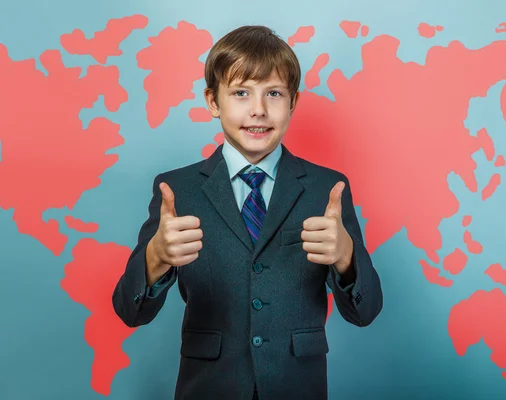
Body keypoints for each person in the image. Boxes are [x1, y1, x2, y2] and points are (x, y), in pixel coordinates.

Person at [112, 25, 383, 400]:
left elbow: (366, 311)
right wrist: (155, 259)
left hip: (297, 387)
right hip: (207, 388)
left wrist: (347, 258)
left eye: (273, 93)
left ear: (293, 102)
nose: (258, 109)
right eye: (240, 93)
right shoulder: (177, 190)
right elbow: (130, 311)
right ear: (212, 101)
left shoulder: (327, 189)